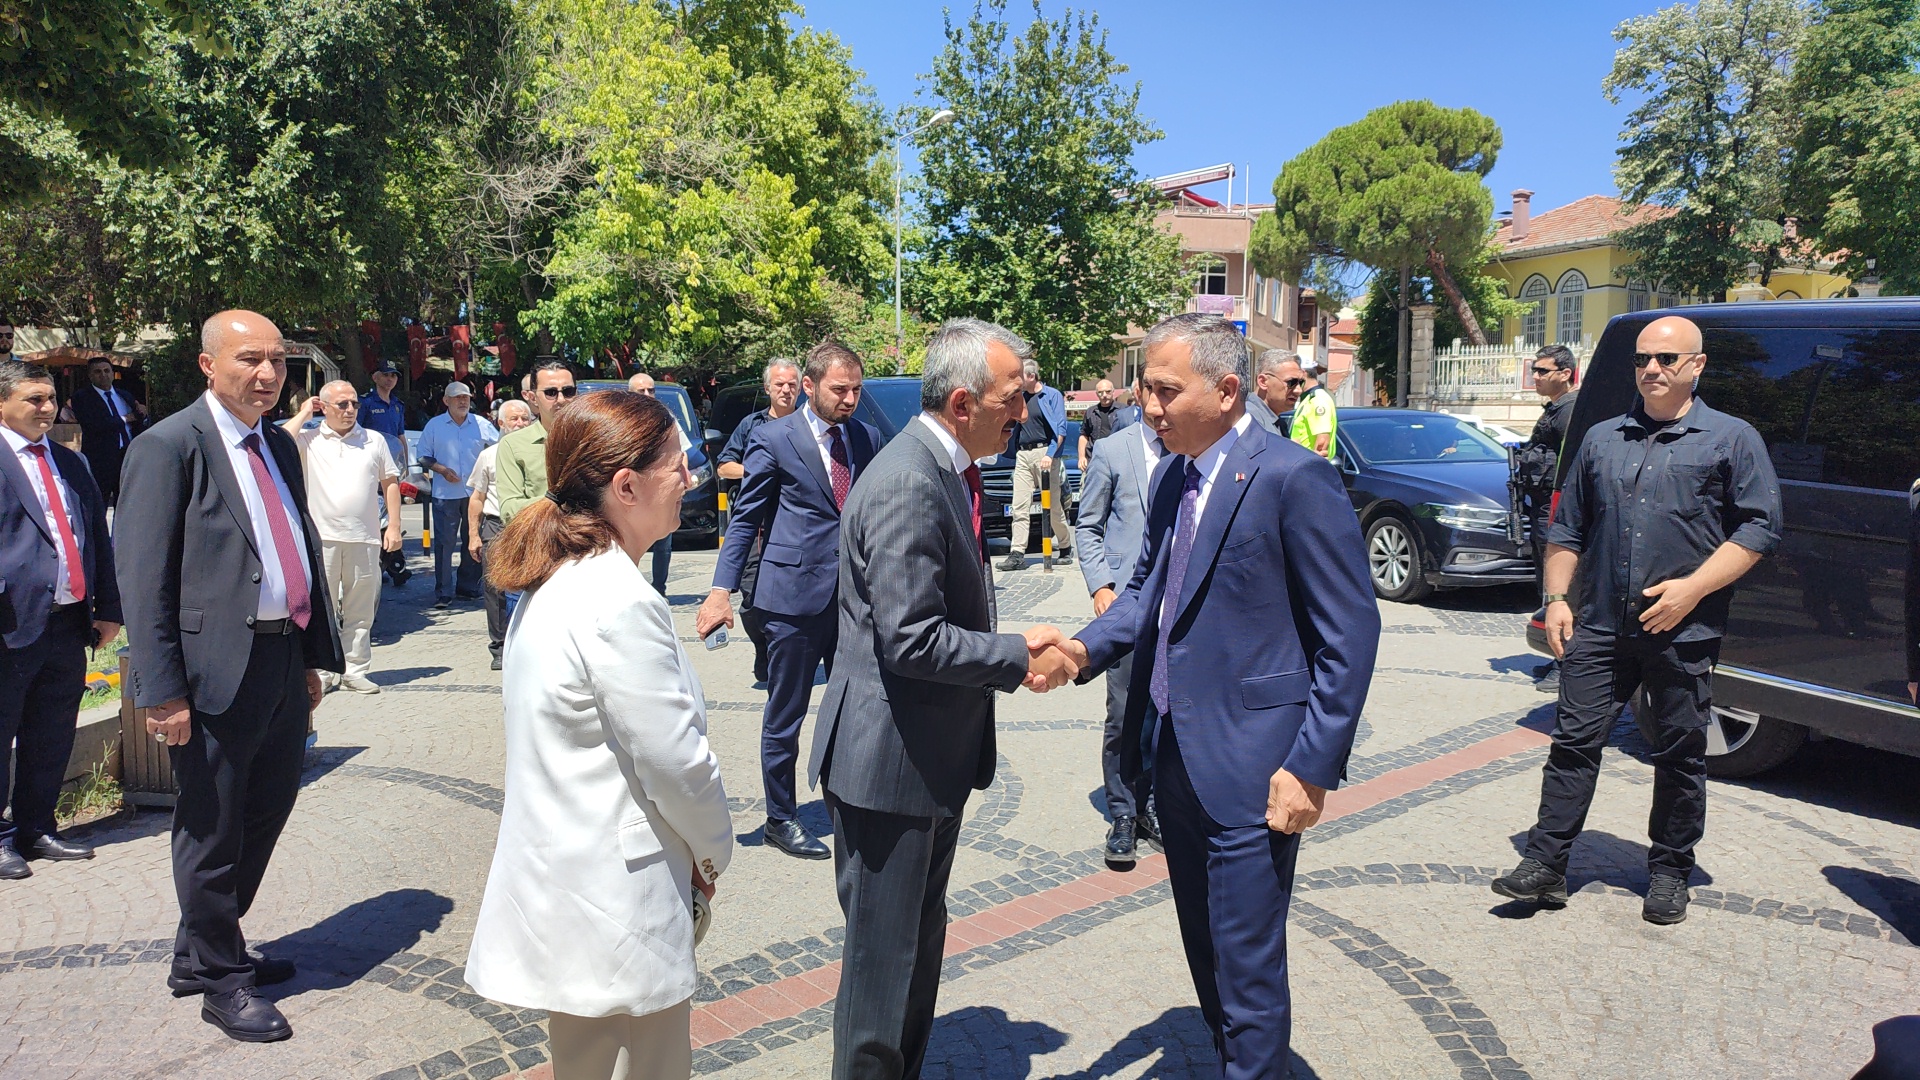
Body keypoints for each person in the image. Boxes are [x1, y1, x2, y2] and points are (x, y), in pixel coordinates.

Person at [1048, 312, 1379, 1076]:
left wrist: (1312, 767)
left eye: (1165, 391)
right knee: (1208, 954)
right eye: (1143, 390)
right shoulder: (1173, 476)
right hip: (1177, 762)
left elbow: (1350, 635)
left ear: (1229, 390)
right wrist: (1076, 650)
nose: (1147, 408)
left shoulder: (1295, 478)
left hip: (1257, 769)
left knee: (1248, 969)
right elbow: (1143, 598)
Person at [807, 318, 1079, 1080]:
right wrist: (1016, 654)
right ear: (963, 402)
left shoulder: (944, 469)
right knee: (880, 981)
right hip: (888, 770)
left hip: (925, 762)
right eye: (1012, 398)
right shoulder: (907, 481)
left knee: (913, 962)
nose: (1023, 411)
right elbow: (911, 639)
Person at [466, 389, 732, 1080]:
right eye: (677, 465)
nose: (689, 479)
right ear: (626, 485)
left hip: (578, 891)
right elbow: (675, 762)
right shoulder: (616, 598)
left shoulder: (558, 576)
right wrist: (714, 850)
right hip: (619, 900)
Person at [1493, 314, 1782, 925]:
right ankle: (1545, 864)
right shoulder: (1602, 438)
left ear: (1696, 367)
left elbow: (1759, 528)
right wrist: (1558, 600)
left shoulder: (1731, 439)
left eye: (1667, 360)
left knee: (1679, 753)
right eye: (1643, 359)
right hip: (1597, 621)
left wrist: (1692, 590)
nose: (1652, 369)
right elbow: (1567, 528)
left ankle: (1671, 869)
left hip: (1682, 628)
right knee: (1574, 743)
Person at [117, 310, 345, 1042]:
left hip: (281, 660)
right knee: (211, 830)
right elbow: (143, 578)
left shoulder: (277, 443)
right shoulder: (168, 446)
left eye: (277, 360)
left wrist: (311, 658)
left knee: (267, 809)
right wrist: (164, 692)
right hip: (211, 672)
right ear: (207, 365)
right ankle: (220, 979)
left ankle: (200, 949)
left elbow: (294, 548)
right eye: (250, 359)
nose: (268, 374)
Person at [697, 342, 878, 861]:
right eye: (839, 390)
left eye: (856, 389)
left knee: (855, 708)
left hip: (852, 600)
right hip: (791, 600)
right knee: (787, 713)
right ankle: (781, 817)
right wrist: (719, 590)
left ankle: (849, 807)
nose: (849, 399)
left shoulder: (865, 436)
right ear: (810, 386)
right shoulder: (773, 438)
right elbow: (746, 518)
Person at [0, 359, 120, 880]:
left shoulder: (72, 464)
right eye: (34, 399)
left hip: (68, 622)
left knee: (51, 731)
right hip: (9, 624)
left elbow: (98, 537)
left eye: (50, 398)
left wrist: (110, 609)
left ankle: (36, 827)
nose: (47, 408)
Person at [1072, 413, 1162, 866]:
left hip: (1180, 604)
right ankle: (1124, 812)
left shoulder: (1192, 447)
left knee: (1167, 714)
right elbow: (1087, 526)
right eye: (1155, 391)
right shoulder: (1112, 450)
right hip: (1125, 601)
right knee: (1125, 712)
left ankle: (1154, 804)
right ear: (1140, 393)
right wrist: (1101, 584)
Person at [280, 380, 402, 694]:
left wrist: (394, 527)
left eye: (354, 404)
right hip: (322, 539)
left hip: (365, 536)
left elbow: (390, 483)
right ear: (325, 406)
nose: (350, 410)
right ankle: (322, 670)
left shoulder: (373, 440)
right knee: (322, 609)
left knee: (360, 608)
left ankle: (355, 669)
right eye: (342, 405)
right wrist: (306, 411)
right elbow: (280, 441)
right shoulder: (309, 438)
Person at [717, 359, 802, 683]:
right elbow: (724, 466)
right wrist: (760, 470)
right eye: (779, 384)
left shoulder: (808, 426)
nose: (786, 389)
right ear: (768, 388)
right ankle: (763, 648)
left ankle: (785, 655)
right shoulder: (752, 426)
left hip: (791, 524)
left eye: (791, 384)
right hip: (755, 525)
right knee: (751, 597)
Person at [413, 381, 498, 608]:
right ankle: (443, 592)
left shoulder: (481, 424)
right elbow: (422, 456)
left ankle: (468, 587)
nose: (462, 401)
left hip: (475, 494)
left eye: (466, 398)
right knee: (444, 543)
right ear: (446, 401)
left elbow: (499, 447)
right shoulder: (435, 425)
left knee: (474, 539)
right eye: (457, 397)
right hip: (445, 493)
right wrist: (441, 470)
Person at [467, 398, 533, 671]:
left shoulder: (539, 450)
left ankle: (528, 642)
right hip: (496, 525)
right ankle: (499, 647)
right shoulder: (489, 455)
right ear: (501, 423)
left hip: (528, 523)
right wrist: (473, 534)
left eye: (524, 419)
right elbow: (477, 497)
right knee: (496, 589)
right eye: (513, 419)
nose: (519, 424)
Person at [998, 360, 1071, 571]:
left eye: (1022, 378)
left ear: (1031, 377)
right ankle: (1017, 553)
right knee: (1019, 505)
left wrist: (1050, 454)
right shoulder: (1019, 398)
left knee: (1054, 508)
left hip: (1045, 454)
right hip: (1023, 455)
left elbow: (1061, 429)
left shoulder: (1051, 395)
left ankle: (1065, 546)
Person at [1518, 345, 1579, 597]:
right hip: (1542, 502)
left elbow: (1573, 458)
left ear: (1565, 374)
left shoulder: (1568, 409)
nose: (1536, 376)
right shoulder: (1557, 407)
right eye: (1534, 370)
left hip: (1554, 504)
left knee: (1551, 566)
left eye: (1543, 371)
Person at [627, 371, 693, 593]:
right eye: (641, 390)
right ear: (630, 393)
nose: (647, 394)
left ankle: (659, 590)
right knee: (630, 541)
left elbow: (682, 451)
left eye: (651, 390)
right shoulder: (621, 418)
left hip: (661, 490)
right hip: (632, 491)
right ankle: (630, 589)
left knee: (664, 541)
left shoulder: (666, 417)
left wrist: (682, 476)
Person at [495, 359, 578, 523]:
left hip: (593, 542)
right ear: (532, 398)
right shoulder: (513, 445)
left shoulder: (594, 439)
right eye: (551, 393)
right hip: (541, 541)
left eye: (568, 391)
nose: (561, 399)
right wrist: (556, 502)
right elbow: (509, 510)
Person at [67, 357, 147, 507]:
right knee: (98, 504)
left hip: (126, 456)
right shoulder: (82, 397)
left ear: (112, 372)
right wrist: (125, 418)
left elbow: (137, 422)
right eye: (97, 372)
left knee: (127, 503)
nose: (103, 375)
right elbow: (94, 424)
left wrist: (143, 415)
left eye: (106, 371)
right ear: (90, 375)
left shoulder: (124, 395)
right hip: (100, 459)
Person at [358, 362, 409, 464]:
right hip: (371, 458)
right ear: (375, 378)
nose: (389, 379)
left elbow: (401, 435)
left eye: (393, 375)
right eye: (385, 375)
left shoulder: (397, 405)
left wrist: (405, 463)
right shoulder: (365, 402)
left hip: (393, 459)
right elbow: (356, 431)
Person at [1289, 356, 1338, 459]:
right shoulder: (1309, 398)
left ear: (1303, 373)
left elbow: (1322, 441)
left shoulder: (1318, 400)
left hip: (1307, 465)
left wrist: (1312, 465)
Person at [1246, 349, 1299, 436]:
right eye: (1291, 383)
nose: (1298, 390)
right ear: (1263, 382)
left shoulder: (1278, 421)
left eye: (1301, 383)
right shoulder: (1249, 418)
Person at [1076, 379, 1123, 473]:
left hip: (1118, 460)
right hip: (1094, 460)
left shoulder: (1123, 410)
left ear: (1113, 392)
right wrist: (1081, 457)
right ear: (1096, 394)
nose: (1104, 395)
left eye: (1108, 391)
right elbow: (1084, 435)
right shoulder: (1090, 412)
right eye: (1100, 392)